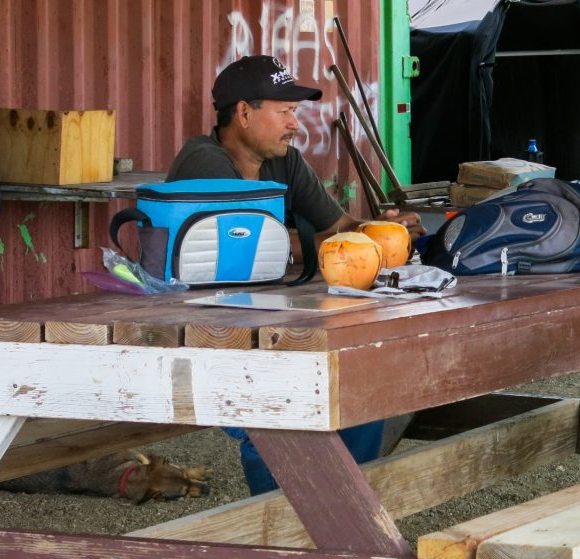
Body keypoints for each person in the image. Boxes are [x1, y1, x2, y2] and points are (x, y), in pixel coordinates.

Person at [168, 55, 424, 494]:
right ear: (244, 113)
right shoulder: (204, 162)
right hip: (203, 332)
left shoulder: (285, 161)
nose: (295, 124)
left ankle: (341, 513)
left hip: (265, 322)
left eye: (296, 113)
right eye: (284, 111)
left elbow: (338, 228)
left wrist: (384, 231)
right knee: (276, 412)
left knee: (361, 388)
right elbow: (253, 250)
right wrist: (317, 245)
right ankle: (282, 529)